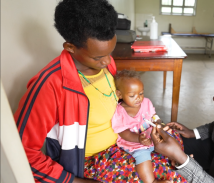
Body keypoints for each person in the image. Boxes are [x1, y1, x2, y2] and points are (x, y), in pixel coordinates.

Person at [14, 0, 187, 182]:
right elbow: (23, 153)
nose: (106, 62)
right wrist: (75, 181)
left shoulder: (107, 66)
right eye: (98, 57)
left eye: (109, 52)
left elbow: (115, 104)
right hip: (91, 161)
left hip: (121, 143)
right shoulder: (49, 86)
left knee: (175, 144)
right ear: (70, 48)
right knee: (173, 176)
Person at [111, 70, 170, 183]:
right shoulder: (120, 112)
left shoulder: (146, 103)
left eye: (141, 93)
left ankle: (180, 160)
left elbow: (153, 116)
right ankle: (152, 181)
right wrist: (139, 139)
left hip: (152, 137)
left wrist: (158, 122)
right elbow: (123, 132)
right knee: (142, 156)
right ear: (119, 94)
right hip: (135, 143)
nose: (138, 98)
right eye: (132, 95)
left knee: (169, 141)